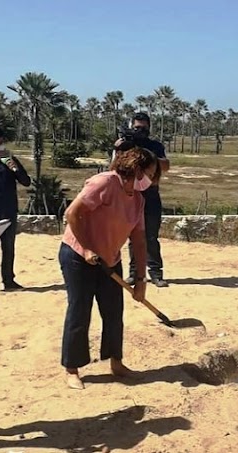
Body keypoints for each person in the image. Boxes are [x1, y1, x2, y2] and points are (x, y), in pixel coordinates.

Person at [59, 146, 159, 390]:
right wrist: (86, 249)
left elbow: (139, 240)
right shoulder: (104, 182)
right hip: (77, 255)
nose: (151, 180)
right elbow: (72, 213)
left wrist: (141, 280)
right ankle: (72, 369)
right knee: (80, 311)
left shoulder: (137, 200)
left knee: (114, 312)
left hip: (110, 259)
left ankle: (116, 362)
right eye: (149, 173)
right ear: (136, 169)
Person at [114, 112, 171, 288]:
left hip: (151, 196)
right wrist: (118, 148)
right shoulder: (127, 145)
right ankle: (133, 273)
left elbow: (166, 166)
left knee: (151, 237)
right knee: (133, 236)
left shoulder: (155, 146)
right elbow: (115, 166)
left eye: (143, 128)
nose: (140, 131)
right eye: (137, 127)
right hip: (131, 196)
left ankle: (155, 273)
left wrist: (146, 153)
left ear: (149, 128)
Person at [0, 126, 32, 291]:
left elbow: (26, 181)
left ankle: (9, 280)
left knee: (9, 247)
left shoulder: (10, 158)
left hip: (9, 210)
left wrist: (14, 167)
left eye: (1, 142)